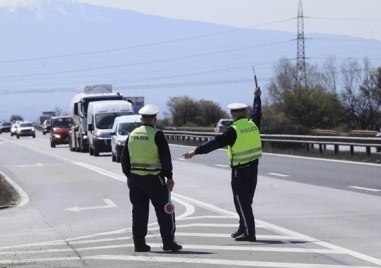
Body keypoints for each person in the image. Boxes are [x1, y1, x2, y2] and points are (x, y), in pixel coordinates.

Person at [182, 87, 262, 242]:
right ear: (245, 113)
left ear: (234, 114)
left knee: (241, 201)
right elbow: (257, 111)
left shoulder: (234, 130)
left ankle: (249, 232)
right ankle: (243, 227)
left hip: (240, 170)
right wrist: (257, 97)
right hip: (253, 168)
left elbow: (215, 143)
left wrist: (196, 151)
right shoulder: (253, 124)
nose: (231, 116)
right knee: (246, 200)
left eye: (232, 113)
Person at [121, 104, 182, 252]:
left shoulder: (132, 134)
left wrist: (128, 176)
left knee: (139, 212)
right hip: (155, 178)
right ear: (154, 119)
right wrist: (169, 177)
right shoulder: (157, 134)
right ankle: (168, 243)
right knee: (165, 210)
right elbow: (165, 158)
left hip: (136, 179)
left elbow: (125, 159)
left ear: (141, 119)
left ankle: (139, 244)